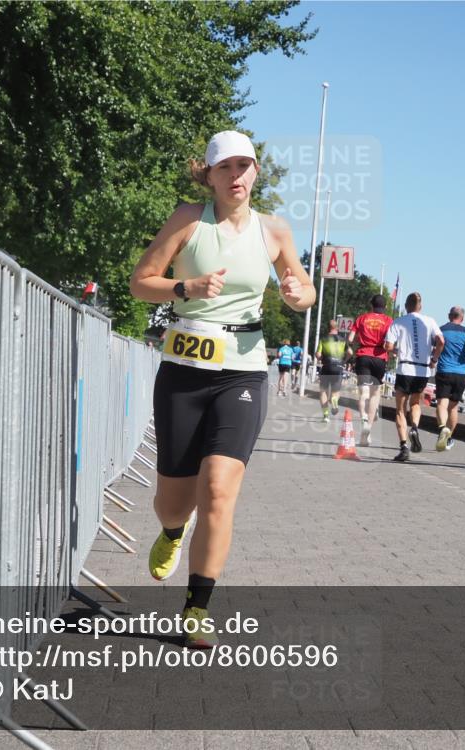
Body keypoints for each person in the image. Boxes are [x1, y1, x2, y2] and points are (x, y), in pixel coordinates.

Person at [129, 130, 315, 647]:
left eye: (245, 166)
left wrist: (299, 293)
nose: (237, 175)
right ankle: (171, 532)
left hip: (244, 370)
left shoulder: (274, 230)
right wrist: (185, 287)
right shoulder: (188, 219)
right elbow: (141, 281)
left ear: (257, 172)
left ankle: (197, 608)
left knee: (218, 489)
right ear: (208, 174)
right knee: (174, 502)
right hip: (184, 372)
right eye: (226, 167)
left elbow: (303, 288)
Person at [384, 292, 444, 462]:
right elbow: (441, 341)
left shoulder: (399, 322)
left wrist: (396, 351)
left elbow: (388, 345)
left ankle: (403, 446)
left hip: (405, 368)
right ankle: (415, 427)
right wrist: (434, 359)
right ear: (420, 306)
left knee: (400, 409)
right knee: (415, 403)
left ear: (406, 306)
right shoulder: (430, 321)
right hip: (422, 371)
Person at [347, 294, 393, 446]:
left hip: (363, 355)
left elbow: (350, 338)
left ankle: (364, 419)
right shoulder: (388, 321)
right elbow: (390, 343)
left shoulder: (361, 318)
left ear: (371, 305)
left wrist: (351, 347)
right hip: (380, 357)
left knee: (363, 393)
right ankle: (368, 431)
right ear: (384, 307)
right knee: (375, 394)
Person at [434, 306, 465, 451]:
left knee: (442, 404)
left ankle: (442, 428)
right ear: (462, 318)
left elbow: (436, 346)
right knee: (453, 407)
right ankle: (448, 438)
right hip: (460, 373)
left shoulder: (441, 329)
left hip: (444, 370)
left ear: (449, 316)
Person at [316, 320, 347, 422]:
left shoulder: (323, 339)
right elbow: (350, 352)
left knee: (323, 391)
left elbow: (318, 355)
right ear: (337, 328)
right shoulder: (343, 340)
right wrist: (344, 360)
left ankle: (325, 415)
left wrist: (321, 358)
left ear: (328, 328)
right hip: (338, 367)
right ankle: (334, 401)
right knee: (335, 391)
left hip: (327, 366)